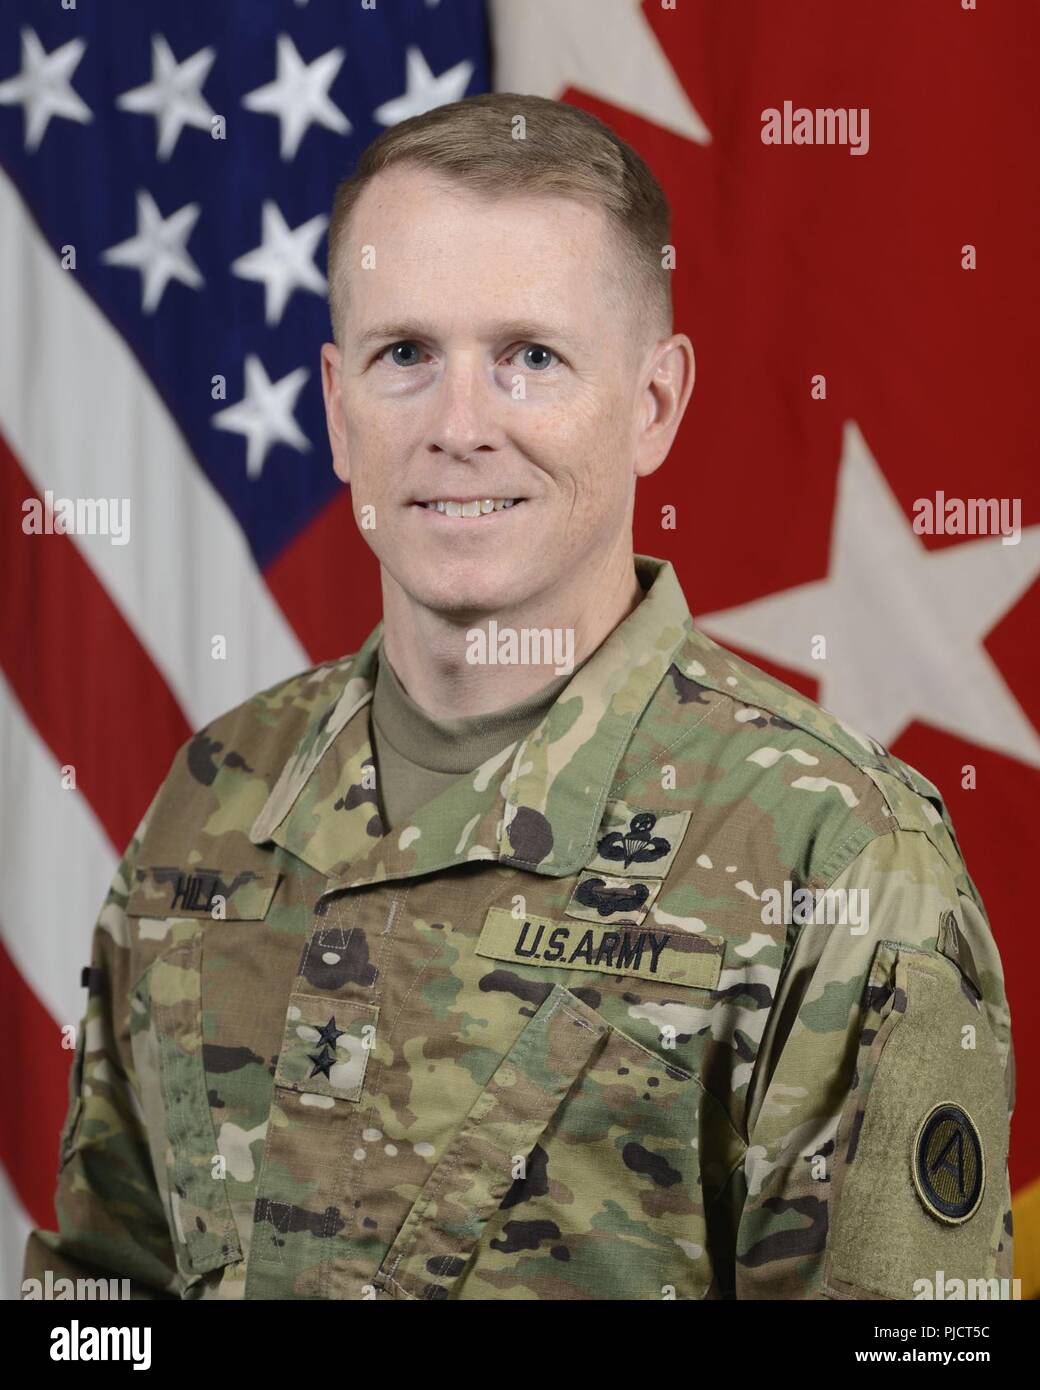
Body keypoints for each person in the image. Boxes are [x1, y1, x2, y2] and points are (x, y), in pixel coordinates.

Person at [24, 92, 1014, 1301]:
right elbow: (94, 1306)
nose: (458, 427)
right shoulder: (214, 792)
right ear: (336, 409)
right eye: (406, 356)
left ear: (652, 404)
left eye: (529, 358)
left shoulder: (840, 854)